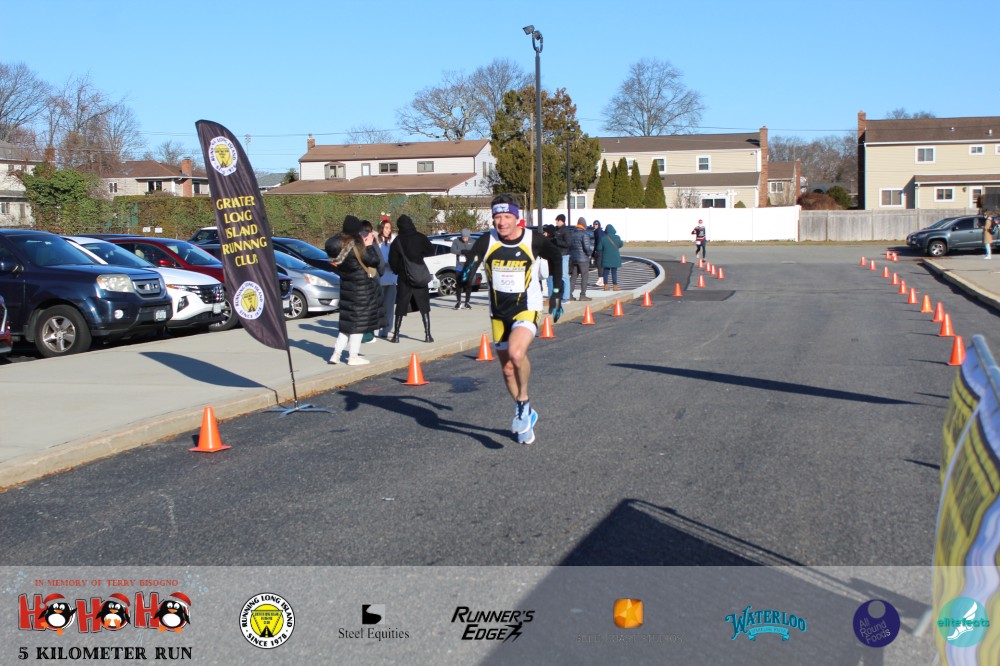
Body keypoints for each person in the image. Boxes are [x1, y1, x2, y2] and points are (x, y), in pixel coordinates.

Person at [458, 193, 564, 445]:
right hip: (498, 313)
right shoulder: (488, 240)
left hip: (527, 307)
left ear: (517, 218)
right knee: (507, 370)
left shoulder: (532, 240)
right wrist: (466, 274)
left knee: (516, 354)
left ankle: (524, 401)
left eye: (507, 217)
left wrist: (557, 293)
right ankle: (525, 413)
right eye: (497, 217)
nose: (502, 222)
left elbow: (556, 257)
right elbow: (472, 261)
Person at [324, 215, 382, 365]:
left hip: (346, 288)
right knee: (358, 326)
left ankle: (336, 354)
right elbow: (374, 261)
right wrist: (369, 245)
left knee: (347, 325)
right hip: (361, 290)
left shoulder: (338, 245)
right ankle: (353, 356)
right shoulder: (357, 245)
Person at [388, 215, 435, 343]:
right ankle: (428, 335)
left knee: (401, 306)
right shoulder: (420, 237)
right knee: (424, 307)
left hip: (404, 277)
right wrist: (419, 257)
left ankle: (396, 335)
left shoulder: (397, 241)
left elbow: (392, 260)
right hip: (419, 275)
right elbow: (431, 251)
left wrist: (398, 270)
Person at [359, 220, 386, 345]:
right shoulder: (371, 242)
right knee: (371, 307)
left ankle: (363, 334)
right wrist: (379, 273)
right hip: (372, 278)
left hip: (360, 280)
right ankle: (368, 335)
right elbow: (380, 262)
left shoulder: (355, 243)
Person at [375, 216, 397, 338]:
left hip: (392, 278)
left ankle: (387, 329)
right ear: (381, 228)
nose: (389, 230)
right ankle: (377, 329)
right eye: (386, 228)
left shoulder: (393, 240)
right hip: (380, 277)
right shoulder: (376, 240)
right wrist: (383, 264)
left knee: (389, 306)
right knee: (379, 305)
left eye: (390, 228)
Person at [568, 216, 594, 301]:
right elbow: (586, 247)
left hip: (574, 258)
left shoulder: (572, 234)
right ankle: (582, 295)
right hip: (583, 259)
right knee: (584, 276)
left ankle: (569, 294)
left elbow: (570, 246)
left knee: (573, 276)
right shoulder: (584, 234)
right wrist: (590, 254)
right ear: (584, 225)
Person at [450, 228, 476, 309]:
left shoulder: (473, 241)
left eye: (466, 238)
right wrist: (462, 251)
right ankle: (458, 302)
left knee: (469, 284)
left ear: (469, 236)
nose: (464, 239)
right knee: (459, 284)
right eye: (463, 238)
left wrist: (470, 253)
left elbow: (476, 252)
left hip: (469, 266)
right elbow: (452, 250)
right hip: (459, 266)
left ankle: (467, 302)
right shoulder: (456, 241)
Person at [550, 214, 572, 303]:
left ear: (561, 220)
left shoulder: (566, 230)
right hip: (557, 255)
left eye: (557, 220)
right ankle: (560, 294)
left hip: (564, 255)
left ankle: (566, 297)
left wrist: (557, 241)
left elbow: (568, 243)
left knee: (564, 275)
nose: (556, 222)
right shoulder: (557, 230)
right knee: (558, 276)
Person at [598, 223, 624, 291]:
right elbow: (621, 245)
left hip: (606, 258)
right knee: (614, 272)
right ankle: (615, 286)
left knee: (606, 272)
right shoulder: (617, 237)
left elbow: (599, 248)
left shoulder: (603, 238)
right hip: (615, 258)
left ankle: (606, 286)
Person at [592, 220, 605, 286]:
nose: (595, 225)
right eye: (594, 224)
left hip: (600, 251)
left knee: (600, 265)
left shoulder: (599, 232)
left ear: (599, 225)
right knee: (600, 265)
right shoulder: (597, 231)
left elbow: (598, 242)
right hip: (599, 251)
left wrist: (596, 251)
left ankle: (601, 280)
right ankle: (601, 280)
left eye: (596, 224)